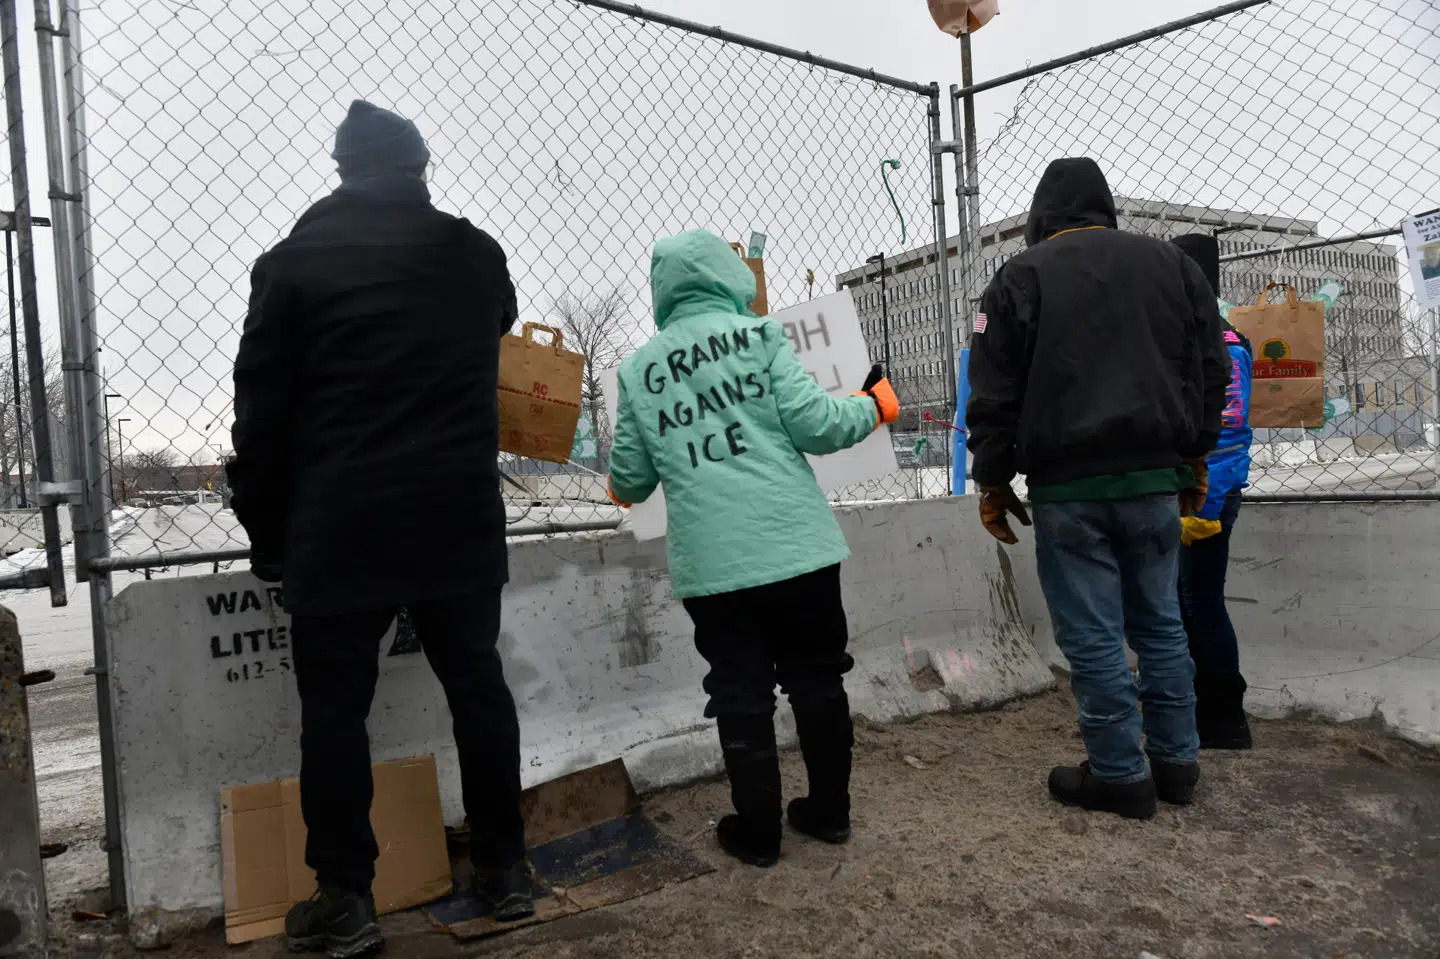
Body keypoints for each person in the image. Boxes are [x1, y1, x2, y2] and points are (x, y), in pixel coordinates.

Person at [229, 100, 534, 957]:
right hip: (456, 514)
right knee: (477, 685)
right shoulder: (475, 254)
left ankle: (346, 897)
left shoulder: (291, 264)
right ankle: (506, 868)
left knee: (335, 710)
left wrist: (267, 531)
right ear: (420, 167)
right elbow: (500, 319)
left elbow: (260, 414)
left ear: (343, 170)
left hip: (341, 519)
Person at [607, 229, 899, 866]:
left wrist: (625, 477)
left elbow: (629, 482)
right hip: (797, 548)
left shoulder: (638, 371)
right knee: (817, 677)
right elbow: (817, 426)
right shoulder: (760, 335)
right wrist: (873, 405)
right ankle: (830, 813)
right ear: (727, 275)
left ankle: (759, 833)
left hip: (714, 565)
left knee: (740, 691)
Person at [966, 157, 1229, 820]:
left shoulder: (1020, 277)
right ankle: (1177, 763)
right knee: (1161, 623)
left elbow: (992, 391)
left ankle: (1119, 774)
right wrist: (1195, 455)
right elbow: (1210, 368)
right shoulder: (1174, 266)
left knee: (1093, 635)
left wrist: (992, 477)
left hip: (1069, 487)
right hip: (1154, 480)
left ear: (1040, 218)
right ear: (1105, 209)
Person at [1171, 233, 1255, 750]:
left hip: (1205, 494)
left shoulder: (1216, 342)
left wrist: (1207, 500)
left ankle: (1224, 719)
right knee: (1189, 601)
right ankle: (1201, 710)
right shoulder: (1217, 336)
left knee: (1200, 603)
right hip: (1201, 491)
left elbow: (1226, 431)